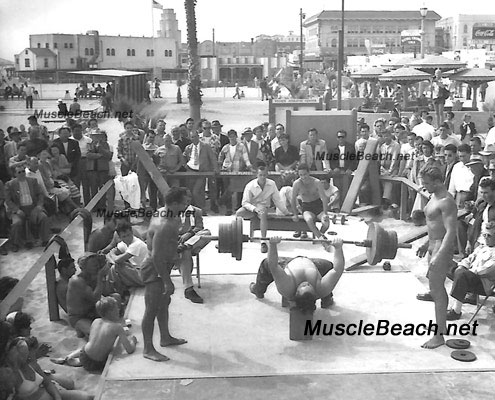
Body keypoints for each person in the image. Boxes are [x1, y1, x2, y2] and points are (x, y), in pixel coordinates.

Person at [140, 187, 189, 361]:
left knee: (164, 303)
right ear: (174, 204)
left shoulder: (168, 214)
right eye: (184, 202)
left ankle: (165, 337)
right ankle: (147, 349)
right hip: (155, 269)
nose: (187, 204)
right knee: (151, 308)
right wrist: (167, 281)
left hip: (163, 264)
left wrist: (174, 251)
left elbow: (167, 244)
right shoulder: (164, 225)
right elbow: (156, 256)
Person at [416, 166, 457, 349]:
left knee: (437, 290)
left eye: (426, 183)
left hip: (441, 247)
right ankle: (440, 325)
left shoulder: (447, 201)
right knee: (434, 289)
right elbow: (434, 225)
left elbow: (450, 232)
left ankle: (439, 335)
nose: (424, 186)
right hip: (433, 245)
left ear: (438, 182)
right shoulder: (433, 196)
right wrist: (426, 243)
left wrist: (439, 255)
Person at [249, 236, 344, 313]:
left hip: (289, 263)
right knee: (329, 266)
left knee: (265, 263)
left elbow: (273, 266)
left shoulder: (287, 288)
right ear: (315, 293)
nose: (306, 283)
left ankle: (258, 289)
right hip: (314, 265)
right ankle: (327, 298)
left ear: (296, 293)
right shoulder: (322, 289)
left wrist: (272, 245)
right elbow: (337, 269)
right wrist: (338, 248)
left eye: (304, 286)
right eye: (308, 285)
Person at [51, 296, 137, 372]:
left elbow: (94, 339)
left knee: (89, 345)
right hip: (97, 363)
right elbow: (129, 350)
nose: (118, 310)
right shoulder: (117, 327)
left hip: (84, 355)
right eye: (116, 309)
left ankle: (68, 357)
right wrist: (133, 341)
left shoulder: (96, 321)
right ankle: (77, 362)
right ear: (110, 312)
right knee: (115, 349)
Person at [6, 337, 93, 400]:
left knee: (87, 396)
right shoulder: (12, 375)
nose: (30, 356)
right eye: (28, 354)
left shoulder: (32, 364)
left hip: (49, 393)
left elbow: (47, 383)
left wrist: (57, 397)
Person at [236, 162, 290, 253]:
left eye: (264, 175)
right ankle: (237, 237)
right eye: (260, 175)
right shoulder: (250, 186)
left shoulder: (272, 184)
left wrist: (285, 211)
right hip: (251, 208)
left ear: (267, 174)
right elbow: (245, 202)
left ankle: (263, 241)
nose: (263, 177)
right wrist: (254, 209)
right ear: (257, 175)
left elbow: (277, 200)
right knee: (238, 213)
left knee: (263, 212)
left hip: (263, 207)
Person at [446, 221, 495, 320]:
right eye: (484, 234)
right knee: (444, 262)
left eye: (489, 235)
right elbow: (469, 259)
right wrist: (462, 266)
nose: (485, 237)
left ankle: (456, 311)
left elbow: (487, 270)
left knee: (462, 275)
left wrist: (467, 271)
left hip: (484, 283)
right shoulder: (482, 247)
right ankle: (435, 292)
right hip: (469, 275)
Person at [176, 188, 211, 303]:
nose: (188, 201)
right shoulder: (172, 211)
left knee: (206, 233)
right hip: (176, 242)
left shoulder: (197, 211)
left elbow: (199, 227)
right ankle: (188, 289)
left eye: (189, 198)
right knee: (184, 251)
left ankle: (186, 245)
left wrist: (188, 235)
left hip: (192, 240)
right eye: (185, 198)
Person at [66, 253, 111, 339]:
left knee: (115, 298)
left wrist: (104, 277)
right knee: (98, 336)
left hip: (92, 311)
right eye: (94, 265)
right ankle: (80, 328)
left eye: (97, 264)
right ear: (84, 267)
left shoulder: (92, 276)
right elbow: (95, 298)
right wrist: (100, 277)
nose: (97, 267)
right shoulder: (76, 281)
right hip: (78, 317)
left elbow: (107, 292)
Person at [106, 221, 147, 294]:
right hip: (137, 270)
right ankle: (119, 290)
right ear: (120, 237)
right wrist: (112, 255)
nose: (127, 238)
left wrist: (112, 255)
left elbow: (117, 259)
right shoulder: (123, 244)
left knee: (116, 267)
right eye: (124, 236)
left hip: (146, 275)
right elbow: (111, 254)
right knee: (113, 267)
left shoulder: (136, 244)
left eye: (129, 235)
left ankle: (118, 291)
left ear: (132, 232)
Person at [291, 164, 330, 240]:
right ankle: (321, 239)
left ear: (309, 173)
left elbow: (324, 198)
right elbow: (293, 199)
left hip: (318, 205)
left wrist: (325, 213)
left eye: (305, 174)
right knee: (309, 220)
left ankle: (320, 235)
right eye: (301, 175)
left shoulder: (316, 182)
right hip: (306, 206)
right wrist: (295, 214)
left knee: (326, 224)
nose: (303, 177)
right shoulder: (297, 183)